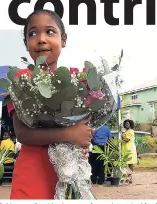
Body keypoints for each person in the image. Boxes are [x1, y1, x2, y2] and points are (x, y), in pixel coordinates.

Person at [7, 9, 94, 199]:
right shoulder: (22, 80)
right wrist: (69, 135)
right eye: (32, 33)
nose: (41, 39)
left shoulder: (77, 81)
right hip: (32, 177)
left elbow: (84, 126)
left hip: (68, 176)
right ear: (25, 43)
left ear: (63, 40)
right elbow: (22, 134)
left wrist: (82, 141)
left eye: (49, 31)